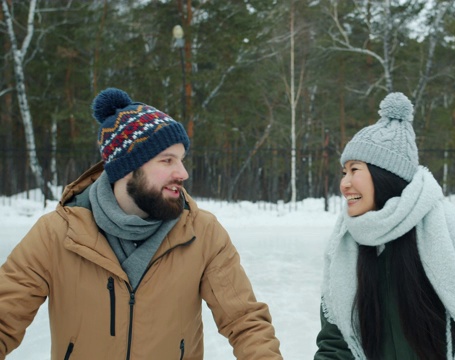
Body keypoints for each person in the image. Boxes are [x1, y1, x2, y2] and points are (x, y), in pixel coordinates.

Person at [0, 88, 282, 360]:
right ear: (127, 168)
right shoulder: (57, 234)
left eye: (181, 160)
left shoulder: (202, 232)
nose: (182, 173)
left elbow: (245, 322)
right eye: (167, 160)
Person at [315, 92, 455, 360]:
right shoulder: (345, 248)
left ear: (385, 175)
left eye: (355, 170)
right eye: (343, 172)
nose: (344, 183)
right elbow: (336, 346)